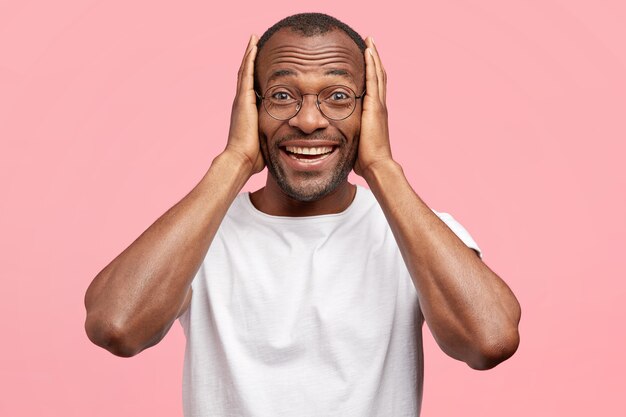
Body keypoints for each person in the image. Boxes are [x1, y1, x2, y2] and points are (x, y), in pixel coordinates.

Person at [84, 13, 521, 417]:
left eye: (337, 96)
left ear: (371, 110)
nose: (309, 120)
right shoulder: (200, 233)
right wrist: (234, 160)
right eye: (281, 95)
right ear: (249, 108)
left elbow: (489, 342)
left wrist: (381, 166)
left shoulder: (415, 232)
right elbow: (116, 326)